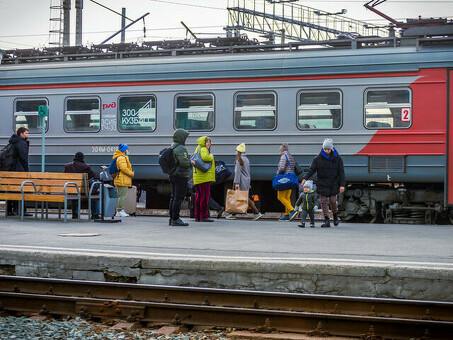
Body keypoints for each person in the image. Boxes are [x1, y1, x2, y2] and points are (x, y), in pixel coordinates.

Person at [302, 138, 345, 228]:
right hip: (322, 182)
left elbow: (341, 172)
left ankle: (335, 216)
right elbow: (312, 170)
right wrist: (305, 178)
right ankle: (326, 220)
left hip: (333, 183)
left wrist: (342, 185)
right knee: (324, 201)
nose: (326, 151)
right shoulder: (317, 159)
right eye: (325, 149)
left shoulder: (338, 159)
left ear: (332, 149)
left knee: (333, 201)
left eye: (328, 149)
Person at [226, 143, 262, 220]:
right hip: (246, 180)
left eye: (236, 150)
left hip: (241, 180)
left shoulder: (239, 159)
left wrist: (237, 182)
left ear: (238, 151)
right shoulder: (246, 159)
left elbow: (237, 172)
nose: (235, 151)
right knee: (240, 196)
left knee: (243, 197)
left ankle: (256, 213)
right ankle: (233, 213)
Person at [64, 152, 100, 220]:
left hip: (72, 190)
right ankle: (95, 214)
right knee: (95, 193)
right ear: (82, 158)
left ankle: (75, 214)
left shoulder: (67, 166)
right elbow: (93, 176)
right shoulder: (85, 167)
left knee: (75, 192)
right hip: (84, 191)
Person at [168, 128, 191, 227]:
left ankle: (172, 218)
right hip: (181, 176)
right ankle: (176, 219)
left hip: (172, 175)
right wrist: (191, 162)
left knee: (173, 197)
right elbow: (184, 163)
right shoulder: (181, 148)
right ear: (181, 137)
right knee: (178, 197)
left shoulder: (172, 146)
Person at [7, 127, 31, 216]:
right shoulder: (21, 143)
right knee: (21, 189)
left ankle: (10, 210)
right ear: (21, 134)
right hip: (19, 169)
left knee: (11, 189)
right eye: (26, 133)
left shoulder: (13, 142)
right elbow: (23, 158)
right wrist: (26, 171)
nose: (27, 135)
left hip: (11, 168)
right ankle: (21, 210)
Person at [192, 136, 215, 222]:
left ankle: (197, 216)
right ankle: (203, 216)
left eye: (209, 142)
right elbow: (205, 158)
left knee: (198, 196)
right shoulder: (204, 149)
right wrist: (211, 156)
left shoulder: (197, 148)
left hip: (198, 177)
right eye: (207, 142)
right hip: (204, 177)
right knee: (205, 197)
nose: (208, 144)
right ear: (203, 143)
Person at [276, 143, 297, 221]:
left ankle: (292, 210)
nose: (279, 152)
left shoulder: (284, 156)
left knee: (280, 197)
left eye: (279, 151)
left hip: (284, 179)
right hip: (290, 179)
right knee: (287, 198)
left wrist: (277, 174)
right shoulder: (290, 156)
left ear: (282, 150)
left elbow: (281, 167)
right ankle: (286, 215)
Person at [112, 144, 134, 217]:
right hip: (122, 180)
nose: (128, 150)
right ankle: (119, 211)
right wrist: (131, 173)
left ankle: (120, 210)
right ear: (124, 150)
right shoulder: (121, 158)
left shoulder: (122, 157)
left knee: (121, 196)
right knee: (122, 196)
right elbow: (123, 168)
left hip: (122, 179)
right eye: (127, 149)